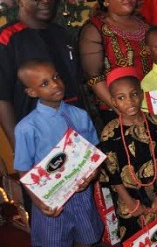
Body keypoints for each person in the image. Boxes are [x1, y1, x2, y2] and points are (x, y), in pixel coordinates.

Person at [14, 59, 103, 247]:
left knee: (87, 238)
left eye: (56, 77)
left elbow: (94, 151)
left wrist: (93, 172)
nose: (55, 84)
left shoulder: (80, 115)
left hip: (82, 195)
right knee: (53, 241)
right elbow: (24, 170)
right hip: (51, 199)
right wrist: (38, 202)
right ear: (32, 92)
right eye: (44, 83)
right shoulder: (27, 128)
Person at [0, 0, 82, 150]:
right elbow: (2, 99)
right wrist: (20, 147)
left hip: (76, 131)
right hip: (39, 139)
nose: (45, 1)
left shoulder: (62, 34)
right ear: (19, 0)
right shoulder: (7, 39)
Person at [98, 67, 157, 242]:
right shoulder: (110, 133)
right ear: (113, 101)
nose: (130, 101)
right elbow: (112, 175)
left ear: (142, 94)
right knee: (136, 239)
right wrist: (130, 203)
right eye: (121, 98)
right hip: (129, 203)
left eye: (134, 94)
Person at [79, 0, 151, 122]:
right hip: (119, 112)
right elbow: (94, 78)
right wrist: (124, 110)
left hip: (151, 104)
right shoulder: (95, 28)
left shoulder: (144, 23)